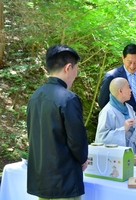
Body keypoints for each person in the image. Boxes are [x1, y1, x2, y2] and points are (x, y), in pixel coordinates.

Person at [26, 44, 88, 199]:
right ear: (68, 67)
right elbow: (76, 140)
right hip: (64, 179)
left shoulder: (35, 97)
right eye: (76, 69)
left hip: (41, 178)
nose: (76, 74)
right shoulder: (68, 98)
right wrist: (83, 158)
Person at [98, 44, 136, 157]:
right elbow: (103, 102)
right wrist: (121, 124)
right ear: (123, 58)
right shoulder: (112, 76)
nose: (132, 66)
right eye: (129, 61)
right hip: (119, 128)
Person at [95, 77, 136, 154]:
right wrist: (123, 129)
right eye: (128, 87)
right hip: (117, 158)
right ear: (120, 91)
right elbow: (102, 138)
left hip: (134, 153)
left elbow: (134, 129)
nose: (131, 90)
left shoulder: (129, 107)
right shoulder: (107, 111)